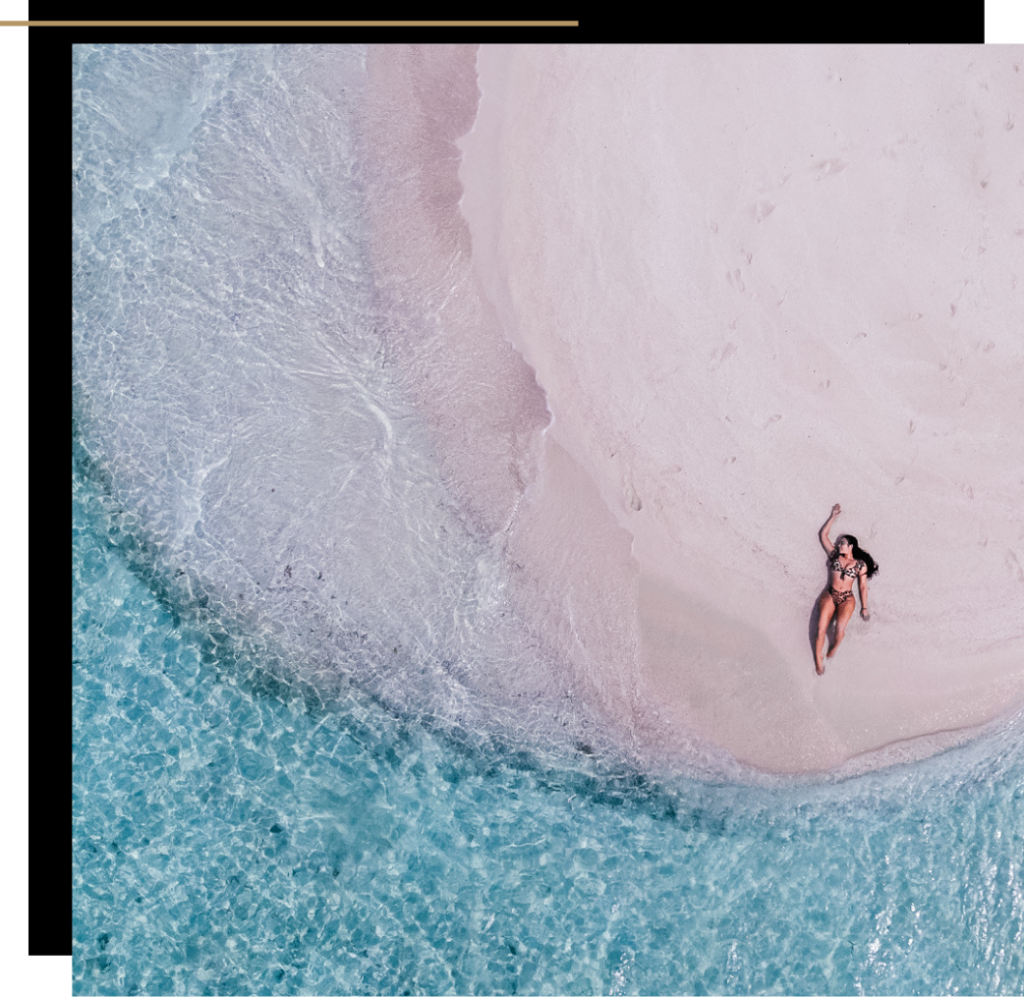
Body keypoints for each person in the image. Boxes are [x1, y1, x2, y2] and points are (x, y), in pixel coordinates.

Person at [815, 503, 879, 675]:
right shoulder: (834, 555)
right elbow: (823, 535)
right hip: (829, 595)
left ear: (850, 546)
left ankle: (833, 648)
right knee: (820, 629)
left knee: (839, 632)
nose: (838, 544)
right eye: (838, 543)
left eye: (842, 543)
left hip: (847, 599)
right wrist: (833, 516)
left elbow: (863, 586)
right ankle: (819, 663)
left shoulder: (860, 564)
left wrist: (864, 608)